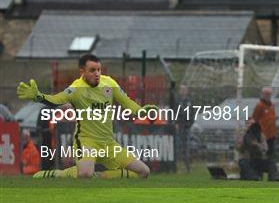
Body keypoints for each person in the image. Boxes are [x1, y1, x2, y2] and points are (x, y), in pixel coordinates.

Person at [16, 54, 158, 179]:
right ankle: (56, 173)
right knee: (84, 175)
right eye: (92, 70)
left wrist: (141, 111)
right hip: (86, 142)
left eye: (98, 70)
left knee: (144, 172)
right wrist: (39, 96)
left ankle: (101, 176)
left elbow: (128, 103)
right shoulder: (76, 89)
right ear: (82, 72)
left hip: (108, 144)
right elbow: (56, 100)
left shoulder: (109, 83)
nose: (96, 73)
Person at [250, 86, 277, 158]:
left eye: (269, 94)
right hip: (263, 134)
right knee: (263, 152)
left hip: (271, 133)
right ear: (263, 95)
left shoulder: (272, 105)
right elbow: (255, 118)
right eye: (266, 94)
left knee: (271, 152)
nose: (267, 96)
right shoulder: (260, 105)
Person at [174, 84, 194, 172]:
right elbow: (173, 112)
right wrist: (175, 123)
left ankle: (187, 167)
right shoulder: (176, 101)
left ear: (187, 91)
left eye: (184, 89)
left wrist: (190, 123)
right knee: (178, 146)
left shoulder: (190, 101)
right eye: (181, 89)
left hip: (187, 126)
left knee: (186, 147)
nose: (182, 91)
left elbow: (193, 113)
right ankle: (176, 166)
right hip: (179, 126)